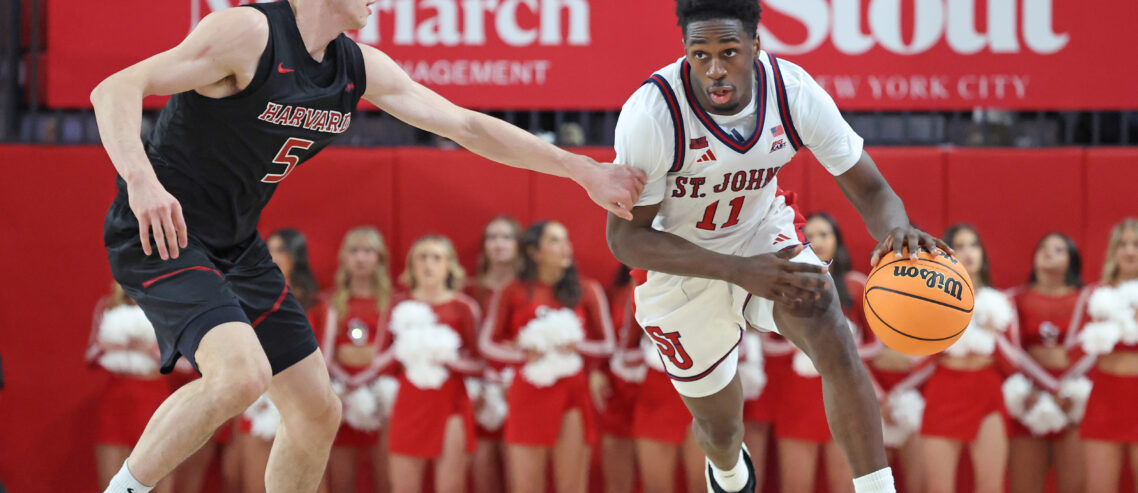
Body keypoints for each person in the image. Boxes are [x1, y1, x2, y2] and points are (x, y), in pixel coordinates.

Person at [90, 0, 645, 489]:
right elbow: (115, 87)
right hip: (163, 231)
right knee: (240, 377)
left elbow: (466, 126)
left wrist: (580, 169)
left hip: (236, 243)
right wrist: (142, 182)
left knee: (317, 411)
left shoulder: (357, 66)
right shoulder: (249, 33)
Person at [605, 1, 950, 491]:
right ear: (685, 50)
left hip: (759, 231)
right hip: (678, 264)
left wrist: (897, 230)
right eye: (700, 55)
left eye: (728, 51)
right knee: (721, 429)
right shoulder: (652, 114)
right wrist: (736, 270)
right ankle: (728, 472)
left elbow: (872, 189)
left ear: (755, 45)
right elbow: (625, 238)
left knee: (829, 324)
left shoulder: (792, 91)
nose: (715, 69)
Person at [480, 221, 616, 493]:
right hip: (527, 392)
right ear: (534, 252)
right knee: (526, 485)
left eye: (566, 239)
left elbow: (608, 345)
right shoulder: (512, 290)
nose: (566, 247)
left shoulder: (587, 289)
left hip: (572, 393)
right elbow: (486, 343)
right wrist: (522, 353)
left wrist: (576, 346)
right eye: (555, 240)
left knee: (572, 485)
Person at [772, 212, 879, 493]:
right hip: (798, 395)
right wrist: (800, 342)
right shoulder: (786, 283)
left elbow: (876, 345)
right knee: (795, 484)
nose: (817, 241)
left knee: (846, 483)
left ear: (837, 240)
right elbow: (767, 343)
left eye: (824, 234)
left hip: (845, 392)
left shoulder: (856, 285)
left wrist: (841, 347)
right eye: (809, 235)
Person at [386, 235, 484, 493]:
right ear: (411, 265)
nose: (429, 264)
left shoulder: (464, 306)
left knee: (451, 486)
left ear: (449, 265)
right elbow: (378, 361)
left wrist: (448, 360)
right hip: (410, 401)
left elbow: (480, 364)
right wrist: (406, 347)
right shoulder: (398, 304)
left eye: (436, 258)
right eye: (422, 257)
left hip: (452, 402)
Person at [237, 227, 327, 493]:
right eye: (269, 250)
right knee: (255, 482)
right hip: (259, 400)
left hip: (303, 400)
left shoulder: (316, 305)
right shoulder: (245, 299)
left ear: (295, 256)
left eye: (281, 250)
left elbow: (324, 358)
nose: (273, 256)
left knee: (307, 483)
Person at [1005, 233, 1087, 493]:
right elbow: (1008, 351)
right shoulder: (1013, 300)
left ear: (1071, 260)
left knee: (1075, 486)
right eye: (1043, 247)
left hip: (1071, 402)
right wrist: (1027, 392)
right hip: (1029, 400)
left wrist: (1070, 392)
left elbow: (1093, 351)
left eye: (1058, 249)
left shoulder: (1085, 300)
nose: (1047, 252)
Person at [321, 227, 394, 493]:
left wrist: (364, 379)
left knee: (387, 477)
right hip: (343, 395)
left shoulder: (390, 302)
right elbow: (324, 352)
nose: (361, 258)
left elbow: (395, 350)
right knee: (341, 478)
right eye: (354, 251)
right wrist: (347, 383)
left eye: (368, 251)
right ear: (344, 257)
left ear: (379, 258)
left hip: (380, 396)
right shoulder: (331, 302)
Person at [86, 283, 172, 493]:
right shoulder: (109, 306)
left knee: (160, 477)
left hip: (155, 398)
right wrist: (111, 346)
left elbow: (186, 363)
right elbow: (90, 356)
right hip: (118, 396)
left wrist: (151, 350)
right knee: (113, 482)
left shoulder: (169, 308)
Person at [1072, 218, 1138, 492]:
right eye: (1122, 244)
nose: (1129, 251)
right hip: (1106, 398)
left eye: (1136, 244)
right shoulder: (1094, 294)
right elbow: (1071, 352)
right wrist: (1098, 332)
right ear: (1113, 250)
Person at [464, 216, 521, 493]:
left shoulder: (526, 289)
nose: (499, 244)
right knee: (482, 467)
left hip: (518, 386)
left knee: (519, 468)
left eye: (506, 237)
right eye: (492, 237)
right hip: (479, 387)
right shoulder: (468, 289)